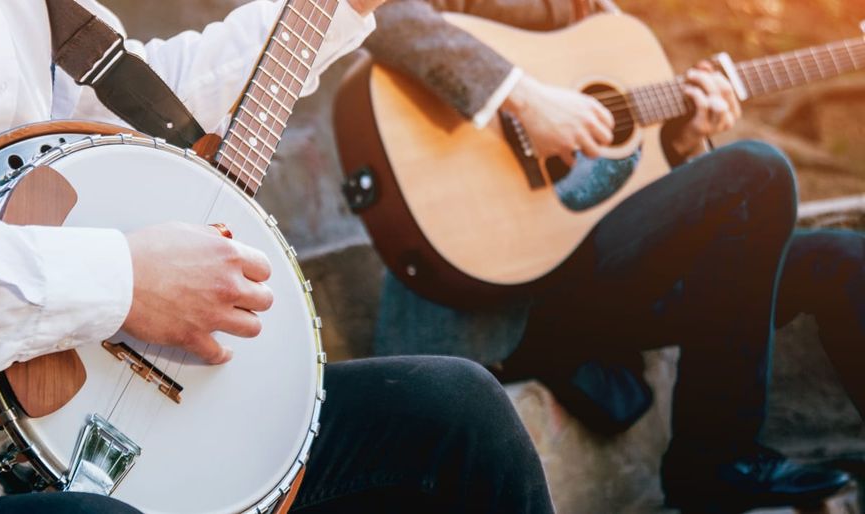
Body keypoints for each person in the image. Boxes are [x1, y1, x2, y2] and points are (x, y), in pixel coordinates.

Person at [0, 0, 554, 513]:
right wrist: (122, 282)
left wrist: (334, 14)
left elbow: (144, 109)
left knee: (452, 414)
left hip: (36, 411)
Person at [362, 0, 853, 512]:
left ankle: (718, 459)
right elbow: (381, 13)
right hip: (510, 280)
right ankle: (714, 460)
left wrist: (682, 140)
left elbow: (627, 179)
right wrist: (523, 98)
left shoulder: (605, 21)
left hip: (609, 279)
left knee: (842, 257)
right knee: (758, 170)